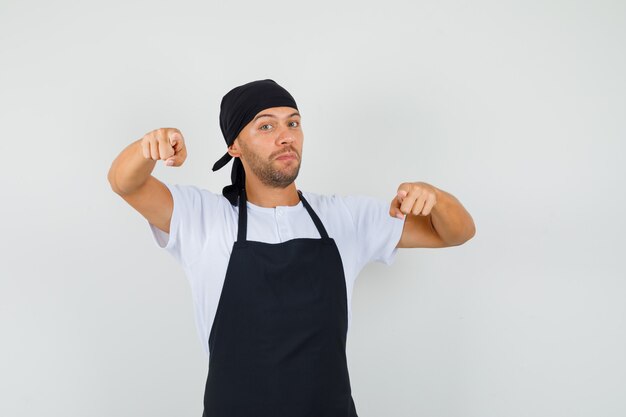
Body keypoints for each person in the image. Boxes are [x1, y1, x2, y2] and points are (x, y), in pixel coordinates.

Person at [107, 79, 475, 417]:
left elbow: (456, 233)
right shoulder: (203, 218)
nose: (286, 137)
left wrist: (436, 197)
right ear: (234, 145)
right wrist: (148, 147)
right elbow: (125, 183)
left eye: (293, 123)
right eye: (266, 126)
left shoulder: (345, 217)